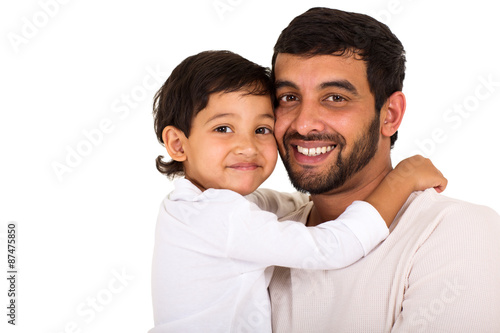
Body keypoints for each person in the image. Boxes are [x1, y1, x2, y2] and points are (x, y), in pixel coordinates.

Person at [148, 50, 447, 332]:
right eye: (223, 129)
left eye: (262, 129)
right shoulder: (221, 218)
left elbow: (274, 204)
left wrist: (327, 196)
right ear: (177, 143)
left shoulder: (188, 206)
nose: (247, 147)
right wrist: (401, 180)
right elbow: (334, 247)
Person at [268, 7, 500, 332]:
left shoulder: (458, 232)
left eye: (335, 97)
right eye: (289, 97)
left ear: (389, 115)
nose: (304, 124)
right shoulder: (263, 237)